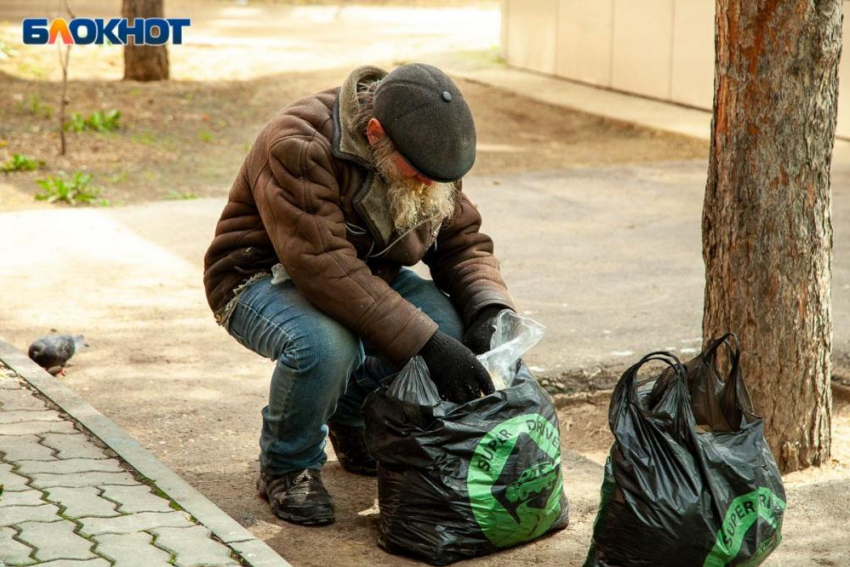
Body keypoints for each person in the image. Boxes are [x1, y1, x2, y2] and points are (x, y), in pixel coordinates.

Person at [203, 63, 515, 525]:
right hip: (259, 276)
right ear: (374, 132)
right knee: (327, 346)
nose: (429, 184)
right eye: (421, 174)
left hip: (365, 273)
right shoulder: (298, 143)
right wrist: (426, 344)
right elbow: (324, 267)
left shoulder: (427, 149)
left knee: (450, 327)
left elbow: (462, 242)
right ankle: (287, 466)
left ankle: (350, 419)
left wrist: (490, 306)